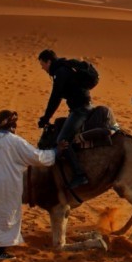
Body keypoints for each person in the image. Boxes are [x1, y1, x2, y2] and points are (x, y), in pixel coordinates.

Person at [0, 110, 57, 260]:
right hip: (7, 186)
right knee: (6, 216)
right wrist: (56, 152)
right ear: (13, 126)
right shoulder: (15, 141)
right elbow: (38, 158)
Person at [37, 49, 91, 189]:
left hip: (80, 110)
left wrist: (45, 118)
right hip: (80, 108)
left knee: (62, 140)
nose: (42, 68)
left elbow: (55, 98)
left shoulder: (60, 72)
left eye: (42, 64)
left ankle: (79, 175)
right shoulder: (64, 69)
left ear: (48, 61)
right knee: (59, 125)